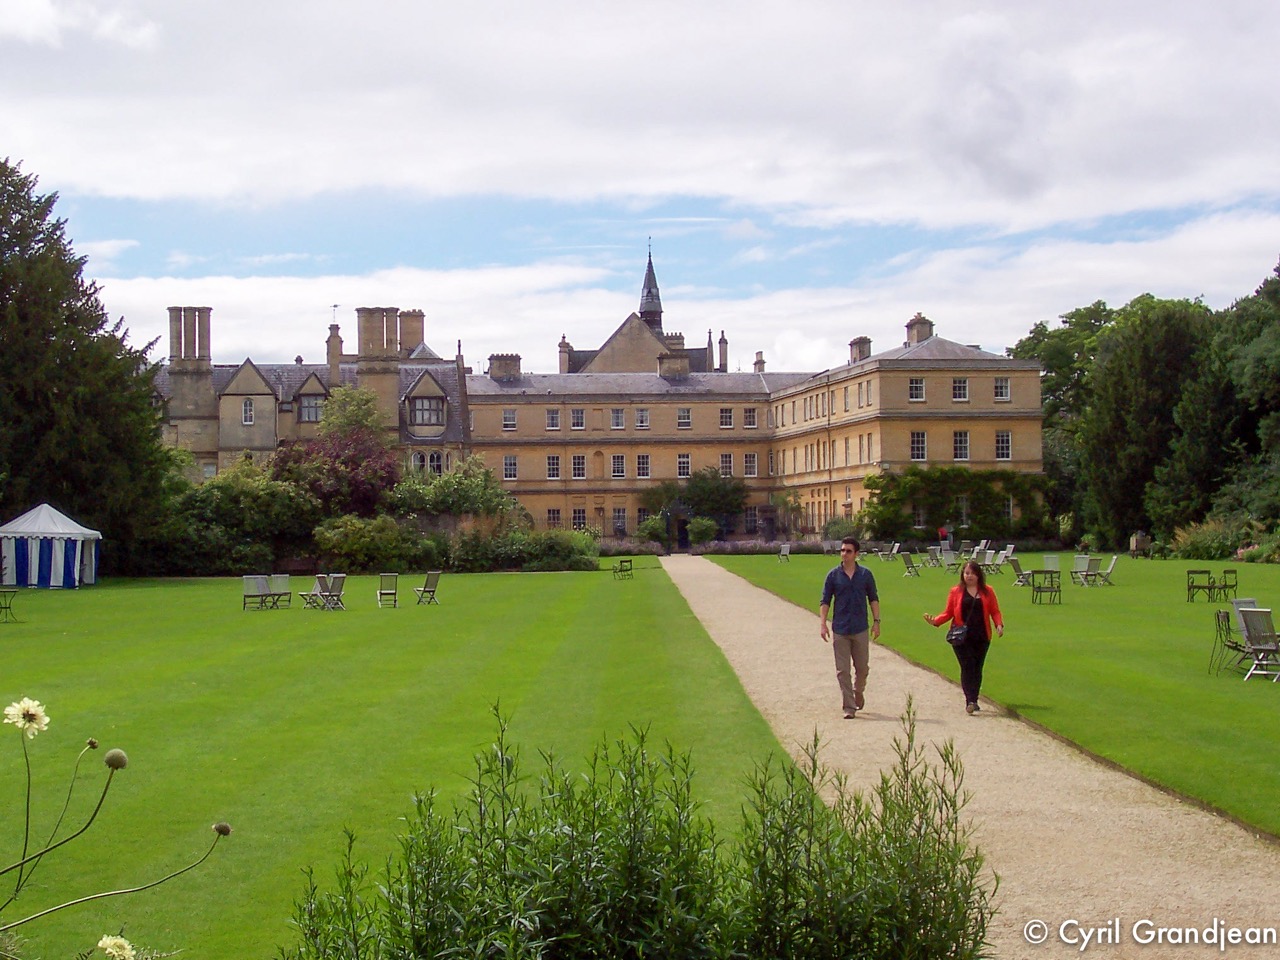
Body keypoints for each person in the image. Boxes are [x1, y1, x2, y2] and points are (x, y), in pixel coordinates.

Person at [923, 559, 1004, 715]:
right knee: (967, 666)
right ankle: (970, 701)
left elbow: (995, 611)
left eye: (973, 573)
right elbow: (949, 612)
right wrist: (935, 621)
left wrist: (999, 624)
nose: (970, 576)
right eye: (967, 573)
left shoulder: (988, 591)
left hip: (982, 635)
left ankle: (974, 698)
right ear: (962, 575)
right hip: (961, 637)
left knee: (977, 667)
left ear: (979, 575)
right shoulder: (956, 592)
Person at [819, 536, 881, 719]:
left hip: (860, 627)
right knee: (842, 670)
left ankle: (858, 691)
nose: (844, 554)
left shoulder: (865, 575)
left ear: (856, 554)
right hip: (840, 628)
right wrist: (823, 624)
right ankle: (849, 706)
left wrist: (877, 622)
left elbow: (874, 599)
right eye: (842, 550)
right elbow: (825, 601)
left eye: (848, 551)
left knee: (862, 668)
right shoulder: (833, 575)